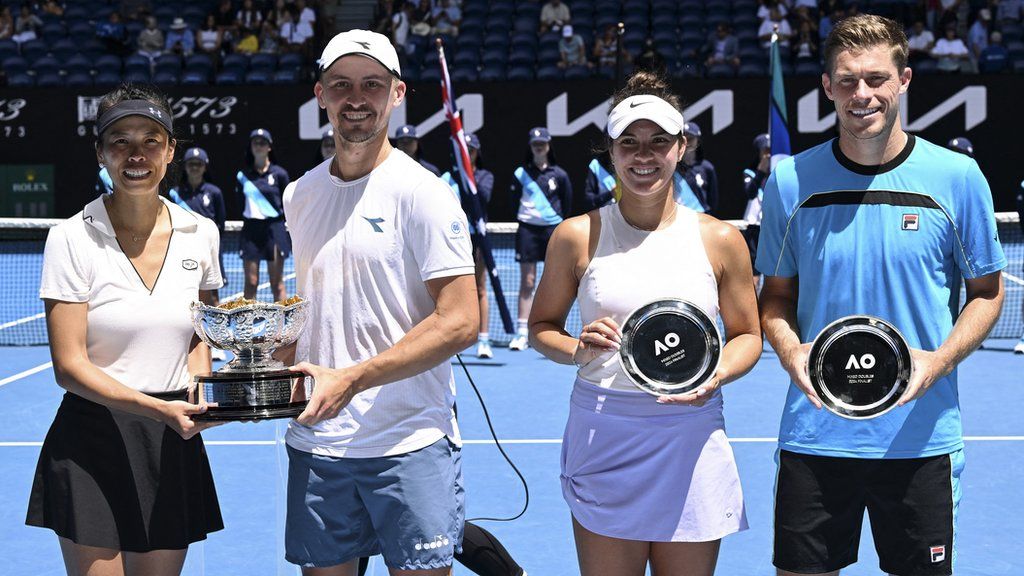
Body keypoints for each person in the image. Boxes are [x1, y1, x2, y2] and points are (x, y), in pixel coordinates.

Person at [757, 14, 1006, 576]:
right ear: (826, 88)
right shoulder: (790, 181)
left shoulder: (958, 178)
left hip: (920, 439)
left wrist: (938, 361)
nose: (861, 94)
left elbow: (987, 293)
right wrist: (790, 350)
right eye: (846, 81)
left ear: (904, 81)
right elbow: (774, 297)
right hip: (815, 435)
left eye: (875, 79)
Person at [529, 70, 761, 576]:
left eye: (659, 142)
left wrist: (715, 373)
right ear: (609, 152)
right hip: (604, 434)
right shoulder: (574, 236)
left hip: (691, 438)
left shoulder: (722, 239)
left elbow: (748, 336)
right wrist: (575, 348)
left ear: (681, 148)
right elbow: (541, 327)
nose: (643, 156)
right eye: (629, 143)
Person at [280, 29, 478, 576]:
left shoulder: (426, 194)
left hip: (408, 441)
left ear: (397, 93)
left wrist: (353, 378)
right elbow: (307, 306)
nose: (356, 98)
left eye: (372, 84)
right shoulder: (299, 194)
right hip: (318, 440)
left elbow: (461, 322)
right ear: (321, 94)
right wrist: (260, 372)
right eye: (341, 85)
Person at [26, 83, 224, 574]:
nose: (136, 154)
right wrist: (159, 408)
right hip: (92, 440)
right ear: (101, 152)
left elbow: (202, 332)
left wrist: (201, 390)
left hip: (172, 440)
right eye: (121, 141)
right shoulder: (70, 237)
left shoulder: (203, 234)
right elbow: (69, 367)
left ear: (171, 150)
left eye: (150, 140)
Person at [508, 126, 572, 351]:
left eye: (542, 143)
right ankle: (521, 333)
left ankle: (551, 331)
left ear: (548, 146)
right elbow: (512, 200)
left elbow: (567, 202)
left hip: (552, 230)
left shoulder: (560, 175)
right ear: (531, 147)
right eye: (535, 143)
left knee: (554, 281)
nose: (539, 147)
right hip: (527, 230)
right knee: (527, 282)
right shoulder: (520, 174)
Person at [441, 132, 496, 359]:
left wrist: (468, 178)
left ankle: (483, 340)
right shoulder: (445, 177)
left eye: (470, 150)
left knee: (480, 287)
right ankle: (451, 340)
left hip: (477, 238)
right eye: (463, 150)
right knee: (448, 291)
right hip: (452, 239)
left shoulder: (484, 176)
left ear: (475, 153)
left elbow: (482, 197)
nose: (467, 154)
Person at [168, 147, 227, 311]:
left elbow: (220, 223)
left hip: (208, 251)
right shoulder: (174, 193)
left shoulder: (214, 192)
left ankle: (214, 334)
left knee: (212, 296)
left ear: (205, 167)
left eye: (199, 164)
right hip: (180, 250)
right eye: (191, 164)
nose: (195, 168)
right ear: (185, 167)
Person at [237, 127, 290, 302]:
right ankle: (247, 327)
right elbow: (240, 202)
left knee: (277, 284)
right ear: (251, 147)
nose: (259, 146)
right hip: (251, 231)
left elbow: (286, 201)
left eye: (263, 142)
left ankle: (284, 328)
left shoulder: (280, 174)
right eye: (255, 143)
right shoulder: (243, 175)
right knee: (251, 283)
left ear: (269, 147)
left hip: (274, 230)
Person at [742, 133, 770, 292]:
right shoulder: (750, 172)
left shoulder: (779, 172)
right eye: (765, 150)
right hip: (754, 225)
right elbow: (750, 192)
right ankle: (754, 299)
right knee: (754, 265)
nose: (768, 154)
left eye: (770, 150)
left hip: (771, 225)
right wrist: (760, 171)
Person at [679, 121, 718, 213]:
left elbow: (713, 200)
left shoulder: (707, 168)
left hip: (701, 217)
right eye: (683, 139)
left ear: (698, 141)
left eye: (691, 138)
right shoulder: (672, 167)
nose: (687, 142)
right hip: (678, 217)